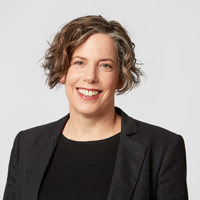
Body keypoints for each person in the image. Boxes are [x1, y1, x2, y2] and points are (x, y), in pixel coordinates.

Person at [3, 15, 188, 200]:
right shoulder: (26, 145)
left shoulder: (163, 148)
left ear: (120, 78)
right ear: (62, 72)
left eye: (105, 65)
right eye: (79, 62)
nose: (90, 77)